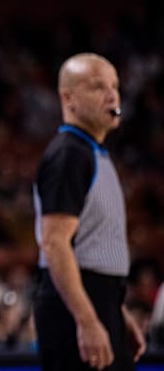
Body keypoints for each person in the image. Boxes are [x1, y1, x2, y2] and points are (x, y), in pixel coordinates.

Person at [32, 53, 146, 371]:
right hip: (75, 308)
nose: (112, 95)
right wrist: (88, 320)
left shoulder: (92, 153)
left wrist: (117, 313)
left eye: (115, 86)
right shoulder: (68, 156)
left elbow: (93, 245)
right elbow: (55, 243)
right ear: (68, 98)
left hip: (99, 300)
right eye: (98, 87)